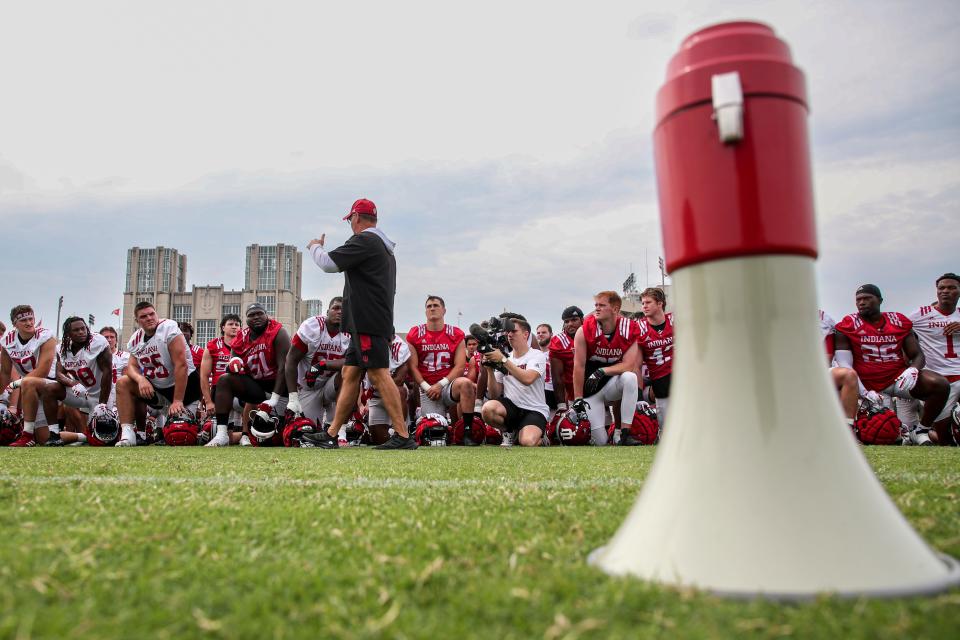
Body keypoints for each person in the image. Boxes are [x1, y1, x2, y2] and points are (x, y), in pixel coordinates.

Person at [301, 198, 413, 449]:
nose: (350, 224)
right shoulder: (382, 247)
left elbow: (329, 264)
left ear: (356, 218)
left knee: (378, 373)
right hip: (370, 321)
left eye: (350, 219)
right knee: (350, 373)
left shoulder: (366, 240)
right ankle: (331, 433)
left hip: (367, 322)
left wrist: (314, 247)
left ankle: (403, 435)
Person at [834, 284, 949, 446]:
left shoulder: (898, 321)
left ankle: (921, 430)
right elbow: (845, 365)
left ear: (880, 300)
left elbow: (917, 355)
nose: (862, 302)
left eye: (867, 298)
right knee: (882, 430)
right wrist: (863, 391)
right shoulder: (847, 324)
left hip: (898, 379)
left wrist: (913, 369)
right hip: (867, 385)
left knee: (940, 384)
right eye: (859, 299)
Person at [115, 301, 201, 446]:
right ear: (137, 321)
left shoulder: (169, 328)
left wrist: (178, 400)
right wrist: (140, 379)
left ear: (156, 314)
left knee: (181, 435)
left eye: (151, 314)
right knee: (123, 382)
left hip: (185, 390)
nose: (149, 318)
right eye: (143, 316)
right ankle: (128, 434)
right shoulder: (135, 340)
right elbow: (131, 367)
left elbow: (181, 365)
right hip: (160, 391)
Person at [205, 303, 290, 447]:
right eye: (251, 315)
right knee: (225, 380)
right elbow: (231, 364)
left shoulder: (277, 331)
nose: (256, 317)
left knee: (281, 436)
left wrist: (275, 398)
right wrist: (233, 364)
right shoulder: (241, 337)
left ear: (266, 315)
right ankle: (222, 434)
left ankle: (246, 433)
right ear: (247, 319)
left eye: (259, 313)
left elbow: (284, 368)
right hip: (258, 389)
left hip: (281, 390)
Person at [405, 296, 479, 443]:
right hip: (427, 389)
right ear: (425, 311)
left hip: (447, 385)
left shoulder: (456, 333)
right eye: (429, 306)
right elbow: (412, 367)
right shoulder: (414, 333)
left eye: (436, 305)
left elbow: (459, 366)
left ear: (444, 310)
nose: (432, 308)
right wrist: (428, 387)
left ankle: (467, 432)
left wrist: (441, 385)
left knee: (466, 384)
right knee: (435, 431)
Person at [572, 291, 641, 445]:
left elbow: (629, 365)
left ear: (615, 309)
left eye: (602, 305)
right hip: (591, 389)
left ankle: (623, 433)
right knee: (601, 443)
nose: (597, 308)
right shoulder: (584, 330)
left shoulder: (629, 329)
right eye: (596, 305)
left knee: (630, 378)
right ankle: (603, 436)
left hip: (611, 384)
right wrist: (578, 398)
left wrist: (602, 371)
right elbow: (579, 366)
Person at [903, 273, 960, 444]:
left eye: (951, 288)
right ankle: (914, 435)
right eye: (941, 288)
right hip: (938, 380)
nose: (945, 291)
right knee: (946, 440)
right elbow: (899, 331)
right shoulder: (920, 314)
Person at [480, 318, 549, 447]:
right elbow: (494, 394)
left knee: (527, 442)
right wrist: (489, 370)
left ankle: (542, 437)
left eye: (513, 331)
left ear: (525, 334)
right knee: (487, 409)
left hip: (534, 409)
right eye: (507, 332)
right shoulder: (506, 357)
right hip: (511, 407)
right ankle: (509, 432)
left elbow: (528, 379)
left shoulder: (536, 355)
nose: (509, 335)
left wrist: (504, 361)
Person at [285, 297, 350, 429]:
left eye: (343, 310)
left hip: (331, 385)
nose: (339, 312)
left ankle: (341, 430)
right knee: (307, 431)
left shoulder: (351, 331)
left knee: (348, 372)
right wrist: (293, 398)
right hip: (308, 387)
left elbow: (351, 362)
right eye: (336, 308)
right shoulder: (312, 326)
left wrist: (322, 365)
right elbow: (291, 360)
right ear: (327, 311)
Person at [1, 305, 58, 446]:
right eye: (24, 320)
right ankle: (82, 437)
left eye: (31, 318)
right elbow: (5, 372)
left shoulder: (46, 336)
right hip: (30, 390)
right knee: (45, 439)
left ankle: (26, 436)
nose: (29, 323)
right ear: (15, 324)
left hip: (51, 385)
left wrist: (14, 385)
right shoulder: (7, 342)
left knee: (28, 382)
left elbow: (42, 371)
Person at [636, 288, 674, 433]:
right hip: (659, 382)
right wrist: (639, 396)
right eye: (642, 303)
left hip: (681, 377)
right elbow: (636, 365)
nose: (644, 306)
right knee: (665, 430)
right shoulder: (640, 328)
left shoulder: (675, 320)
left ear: (660, 304)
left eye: (648, 302)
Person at [199, 314, 242, 420]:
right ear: (223, 327)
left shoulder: (245, 344)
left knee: (239, 425)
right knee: (219, 428)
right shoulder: (212, 346)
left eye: (237, 324)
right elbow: (204, 376)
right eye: (230, 324)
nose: (234, 327)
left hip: (240, 389)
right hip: (219, 390)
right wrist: (208, 402)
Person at [549, 306, 583, 417]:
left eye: (574, 320)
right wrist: (561, 406)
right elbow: (557, 376)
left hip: (597, 391)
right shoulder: (559, 341)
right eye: (566, 321)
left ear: (582, 320)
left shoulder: (593, 335)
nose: (569, 324)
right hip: (573, 395)